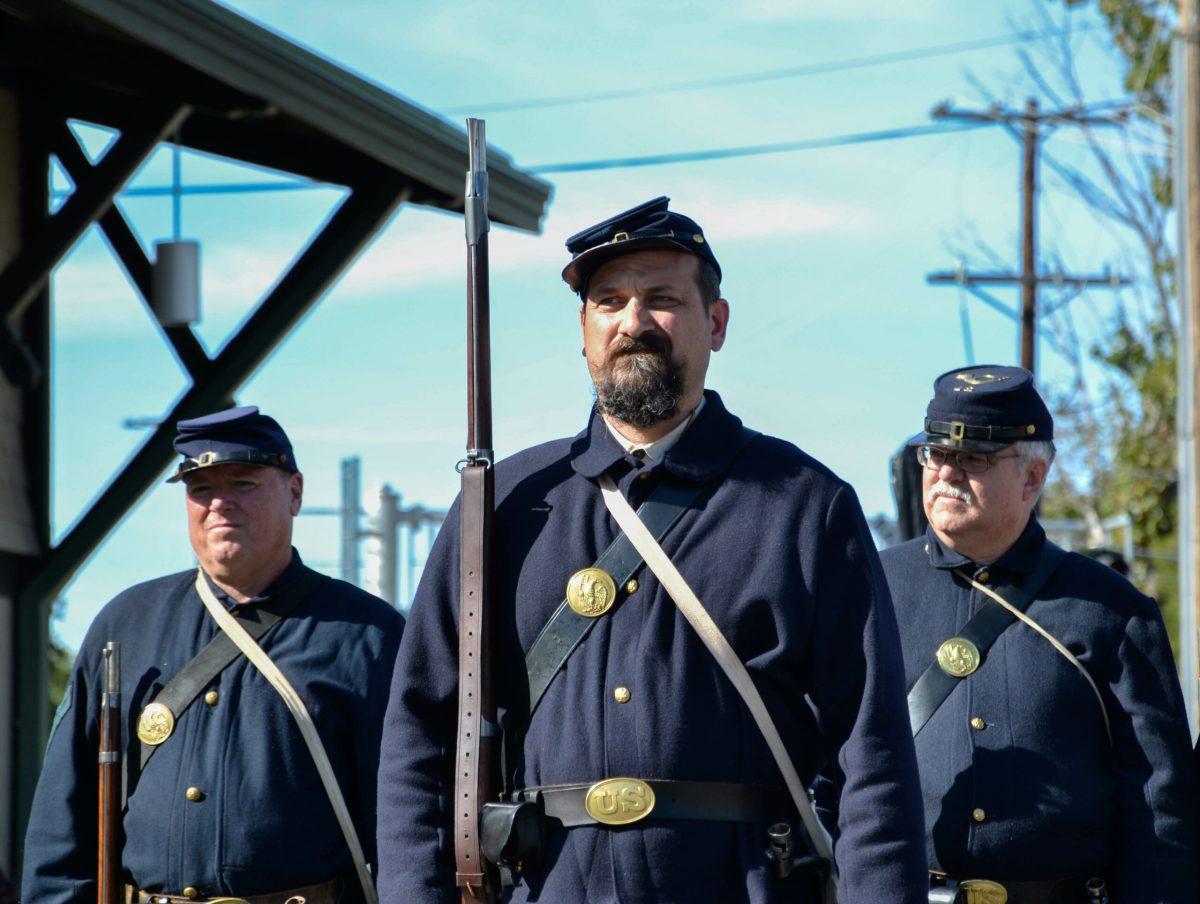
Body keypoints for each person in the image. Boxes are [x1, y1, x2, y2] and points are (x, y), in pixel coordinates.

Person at [376, 197, 927, 903]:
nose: (633, 322)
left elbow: (871, 751)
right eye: (608, 301)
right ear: (583, 331)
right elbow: (423, 736)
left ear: (716, 324)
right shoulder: (501, 506)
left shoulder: (803, 504)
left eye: (662, 298)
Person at [22, 406, 404, 904]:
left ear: (295, 492)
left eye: (243, 483)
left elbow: (404, 821)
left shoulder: (369, 635)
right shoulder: (126, 623)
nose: (220, 503)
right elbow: (62, 819)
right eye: (201, 489)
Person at [881, 365, 1198, 902]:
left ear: (1033, 477)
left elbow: (1159, 805)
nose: (947, 474)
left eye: (974, 458)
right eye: (936, 454)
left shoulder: (1113, 612)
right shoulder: (871, 588)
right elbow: (827, 764)